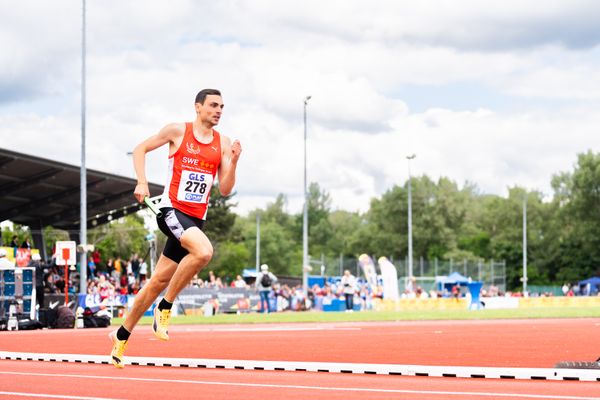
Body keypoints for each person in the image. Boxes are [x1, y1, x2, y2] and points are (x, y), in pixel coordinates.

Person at [109, 88, 242, 368]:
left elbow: (226, 189)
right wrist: (142, 181)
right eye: (213, 105)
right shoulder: (177, 131)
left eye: (222, 107)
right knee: (204, 252)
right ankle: (165, 307)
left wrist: (234, 162)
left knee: (156, 281)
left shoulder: (223, 142)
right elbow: (140, 149)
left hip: (196, 219)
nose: (219, 110)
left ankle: (120, 337)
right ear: (198, 107)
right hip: (171, 211)